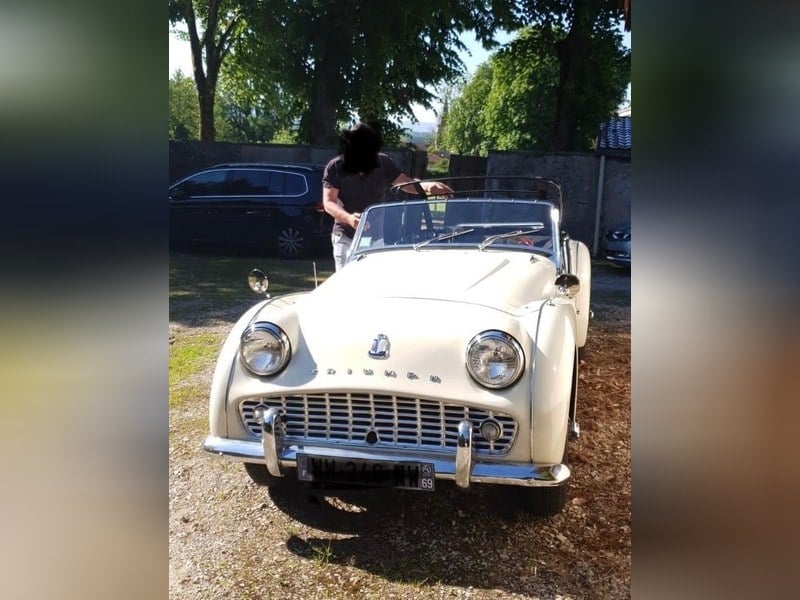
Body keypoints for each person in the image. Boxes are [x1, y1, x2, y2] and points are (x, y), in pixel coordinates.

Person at [322, 123, 453, 270]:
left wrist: (428, 187)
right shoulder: (335, 167)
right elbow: (328, 202)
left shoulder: (382, 162)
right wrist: (349, 219)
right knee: (346, 283)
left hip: (375, 238)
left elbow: (405, 183)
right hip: (345, 236)